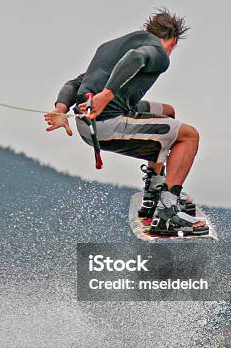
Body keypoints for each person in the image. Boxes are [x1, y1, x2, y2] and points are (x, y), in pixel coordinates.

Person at [44, 8, 208, 236]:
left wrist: (61, 109)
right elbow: (137, 59)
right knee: (190, 136)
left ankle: (154, 192)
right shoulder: (158, 52)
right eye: (173, 47)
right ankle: (168, 213)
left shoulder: (111, 46)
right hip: (107, 123)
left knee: (167, 112)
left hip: (86, 119)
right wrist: (107, 95)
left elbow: (77, 82)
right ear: (173, 40)